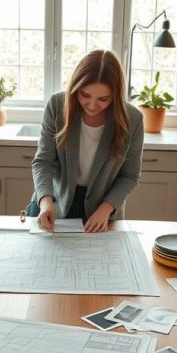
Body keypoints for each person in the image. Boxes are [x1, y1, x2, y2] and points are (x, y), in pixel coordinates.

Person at [29, 49, 144, 233]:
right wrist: (45, 202)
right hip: (54, 202)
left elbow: (129, 176)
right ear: (75, 88)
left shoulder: (133, 119)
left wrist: (106, 209)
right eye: (85, 95)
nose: (92, 105)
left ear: (116, 95)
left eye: (103, 99)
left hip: (101, 210)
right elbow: (43, 161)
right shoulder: (57, 106)